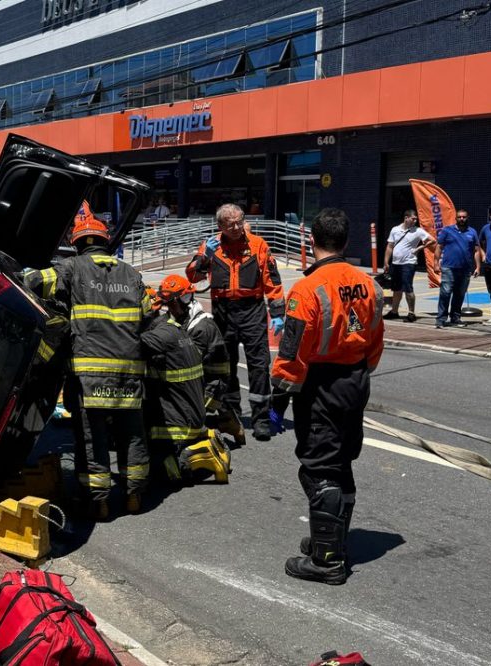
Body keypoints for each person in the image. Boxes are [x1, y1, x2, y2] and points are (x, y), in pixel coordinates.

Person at [269, 207, 385, 585]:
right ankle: (332, 539)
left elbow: (292, 351)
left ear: (311, 241)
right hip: (355, 378)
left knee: (319, 469)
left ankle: (328, 560)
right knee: (341, 462)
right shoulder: (367, 283)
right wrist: (359, 371)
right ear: (346, 241)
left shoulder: (307, 289)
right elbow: (375, 337)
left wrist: (278, 399)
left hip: (321, 384)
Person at [23, 206, 150, 519]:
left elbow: (35, 281)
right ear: (106, 241)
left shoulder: (72, 268)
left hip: (90, 376)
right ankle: (134, 495)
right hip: (129, 374)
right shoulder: (131, 274)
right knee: (131, 435)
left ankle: (100, 502)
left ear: (77, 243)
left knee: (93, 438)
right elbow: (148, 315)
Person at [186, 203, 285, 441]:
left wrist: (278, 312)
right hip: (223, 311)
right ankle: (232, 413)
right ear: (220, 225)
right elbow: (192, 276)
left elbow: (272, 279)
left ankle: (261, 418)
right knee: (224, 365)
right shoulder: (210, 246)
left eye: (240, 221)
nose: (237, 227)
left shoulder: (258, 245)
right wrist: (204, 258)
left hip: (251, 309)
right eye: (231, 224)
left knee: (259, 364)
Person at [140, 296, 227, 485]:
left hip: (180, 420)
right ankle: (205, 436)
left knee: (161, 469)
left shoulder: (162, 335)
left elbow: (132, 346)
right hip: (190, 412)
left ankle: (203, 452)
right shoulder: (176, 329)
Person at [158, 274, 244, 446]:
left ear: (185, 298)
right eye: (167, 302)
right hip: (199, 378)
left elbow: (187, 363)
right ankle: (227, 416)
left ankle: (218, 434)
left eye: (172, 302)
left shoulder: (202, 327)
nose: (169, 307)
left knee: (184, 417)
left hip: (213, 383)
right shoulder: (178, 318)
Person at [382, 209, 435, 322]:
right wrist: (386, 262)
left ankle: (411, 313)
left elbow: (432, 240)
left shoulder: (418, 231)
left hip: (409, 263)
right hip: (396, 263)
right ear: (406, 218)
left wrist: (419, 248)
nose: (415, 220)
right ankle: (394, 311)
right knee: (396, 289)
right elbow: (390, 246)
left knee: (408, 288)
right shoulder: (395, 230)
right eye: (413, 218)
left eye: (416, 219)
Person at [434, 209, 481, 328]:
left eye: (464, 217)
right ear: (456, 218)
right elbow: (439, 247)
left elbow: (476, 251)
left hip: (465, 269)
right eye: (459, 217)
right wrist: (435, 263)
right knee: (445, 293)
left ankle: (455, 318)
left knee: (459, 294)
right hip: (448, 268)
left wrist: (478, 267)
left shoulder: (472, 232)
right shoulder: (447, 230)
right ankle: (441, 319)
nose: (462, 219)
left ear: (467, 218)